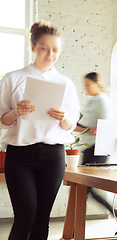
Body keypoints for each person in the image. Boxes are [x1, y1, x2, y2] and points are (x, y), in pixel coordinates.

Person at [0, 21, 80, 240]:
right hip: (20, 156)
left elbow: (70, 125)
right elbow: (2, 120)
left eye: (55, 50)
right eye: (45, 48)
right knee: (25, 217)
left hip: (53, 156)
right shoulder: (13, 78)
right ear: (33, 47)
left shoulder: (65, 83)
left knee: (42, 220)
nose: (50, 54)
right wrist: (16, 112)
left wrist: (63, 118)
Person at [73, 72, 117, 228]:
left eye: (87, 84)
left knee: (85, 189)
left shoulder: (102, 102)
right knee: (84, 189)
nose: (85, 88)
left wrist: (79, 129)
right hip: (89, 148)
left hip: (97, 150)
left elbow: (103, 128)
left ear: (97, 82)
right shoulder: (92, 101)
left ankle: (73, 229)